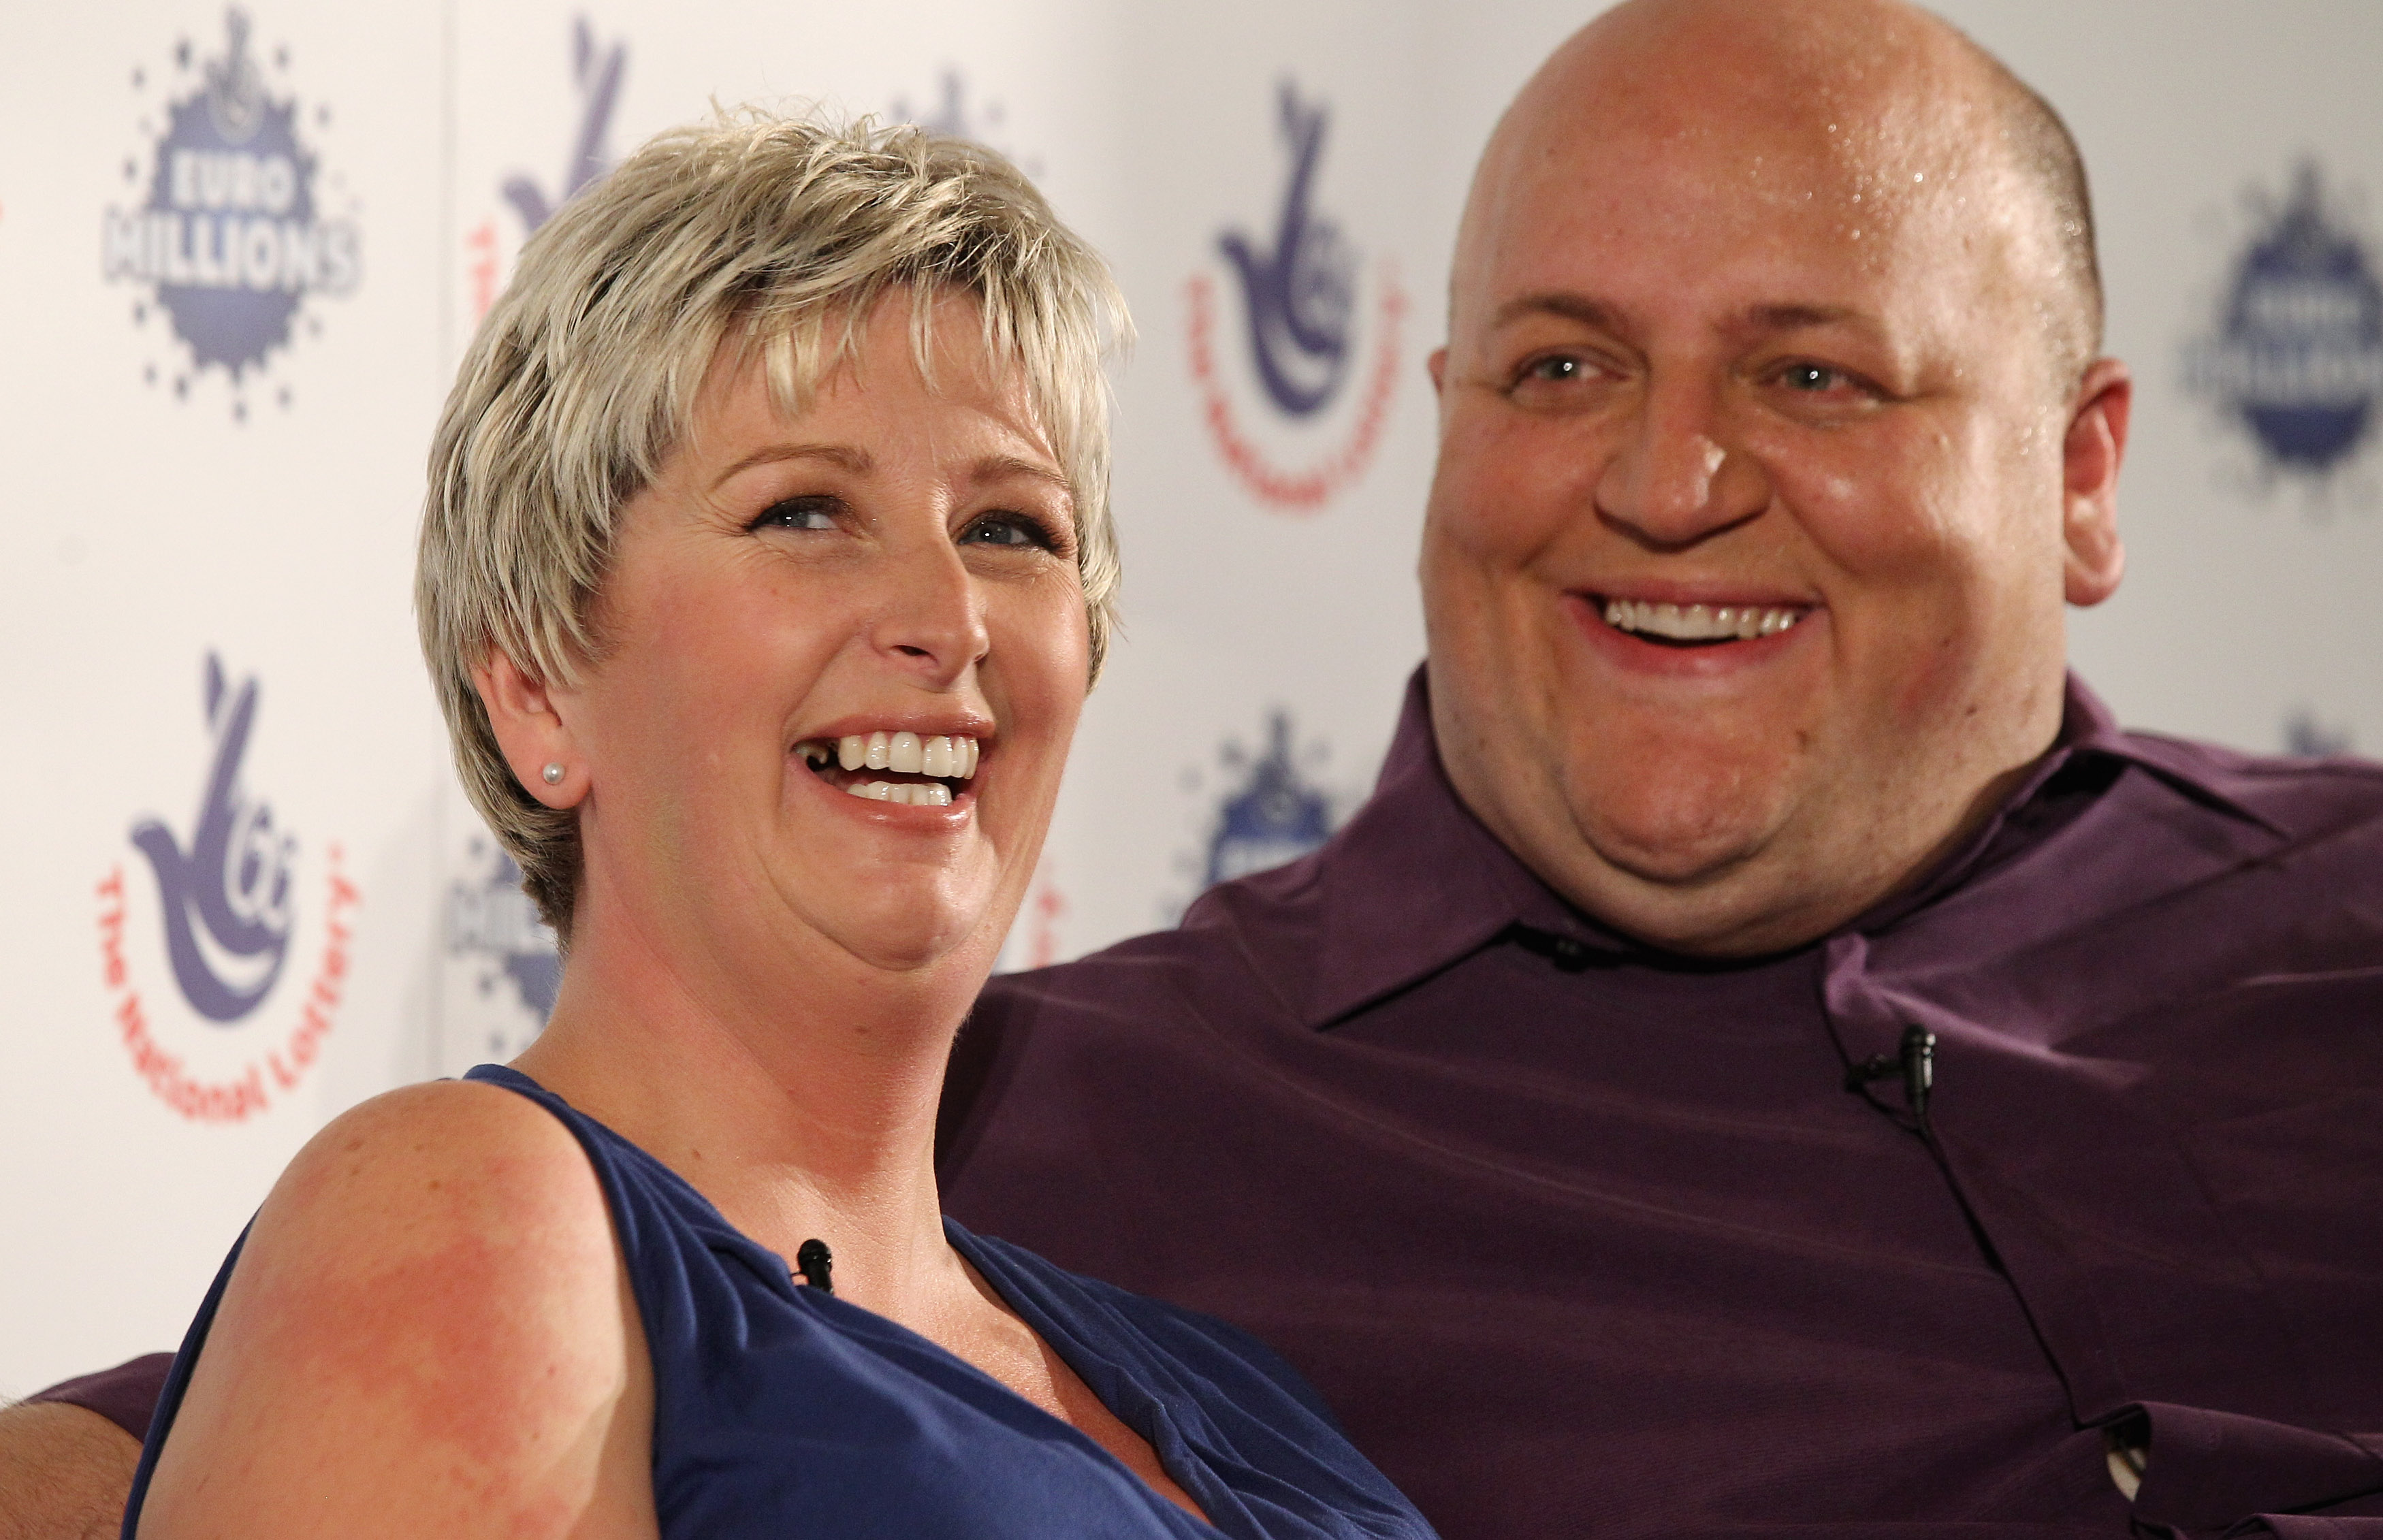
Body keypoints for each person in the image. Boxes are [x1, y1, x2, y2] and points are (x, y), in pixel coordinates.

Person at [10, 0, 2382, 1540]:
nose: (1669, 477)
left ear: (2082, 473)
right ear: (536, 682)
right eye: (1561, 366)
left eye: (1814, 372)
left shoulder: (1105, 1314)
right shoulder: (1077, 1101)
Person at [98, 111, 1436, 1540]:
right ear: (538, 689)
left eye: (1011, 530)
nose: (945, 617)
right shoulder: (471, 1221)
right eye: (805, 512)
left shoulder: (1230, 1386)